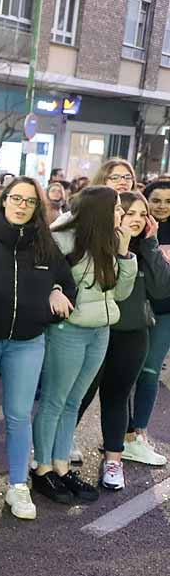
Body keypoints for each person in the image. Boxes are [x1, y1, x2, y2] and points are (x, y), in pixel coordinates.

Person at [0, 178, 75, 518]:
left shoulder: (45, 244)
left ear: (37, 208)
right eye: (15, 198)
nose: (21, 206)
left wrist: (56, 290)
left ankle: (18, 486)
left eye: (29, 201)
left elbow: (67, 285)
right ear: (3, 201)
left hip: (27, 343)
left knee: (18, 415)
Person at [32, 186, 137, 504]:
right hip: (68, 329)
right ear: (100, 210)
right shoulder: (62, 236)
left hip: (100, 330)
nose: (122, 212)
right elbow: (41, 276)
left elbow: (120, 294)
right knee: (55, 400)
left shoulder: (110, 239)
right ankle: (43, 470)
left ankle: (62, 467)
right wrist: (54, 290)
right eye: (118, 207)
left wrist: (125, 252)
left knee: (74, 403)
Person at [75, 191, 170, 491]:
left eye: (143, 215)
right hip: (98, 330)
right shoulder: (96, 246)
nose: (138, 220)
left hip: (133, 333)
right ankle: (57, 449)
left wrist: (151, 244)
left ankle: (113, 459)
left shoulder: (147, 248)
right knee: (80, 394)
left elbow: (162, 289)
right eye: (131, 214)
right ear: (116, 215)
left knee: (117, 397)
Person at [127, 180, 170, 466]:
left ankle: (138, 434)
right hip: (132, 311)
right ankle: (121, 434)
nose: (162, 205)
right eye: (156, 200)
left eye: (168, 200)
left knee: (151, 370)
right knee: (125, 375)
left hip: (165, 311)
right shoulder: (134, 224)